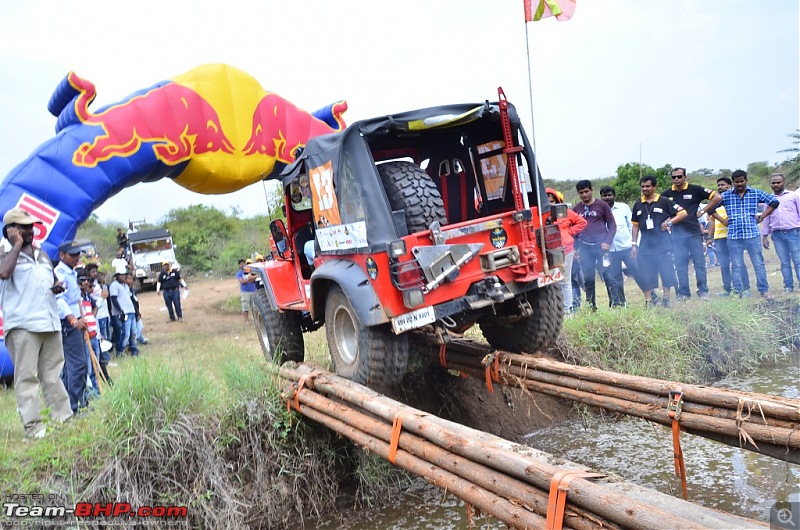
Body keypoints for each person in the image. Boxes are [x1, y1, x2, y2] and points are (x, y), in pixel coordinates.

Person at [0, 208, 73, 438]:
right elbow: (3, 273)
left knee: (52, 374)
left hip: (49, 322)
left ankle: (63, 419)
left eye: (31, 226)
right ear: (11, 230)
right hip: (23, 325)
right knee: (26, 377)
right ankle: (34, 427)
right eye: (24, 227)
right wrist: (15, 245)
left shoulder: (41, 253)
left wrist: (56, 286)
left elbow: (50, 281)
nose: (30, 230)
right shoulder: (4, 251)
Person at [701, 169, 780, 299]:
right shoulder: (726, 196)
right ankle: (739, 291)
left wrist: (762, 217)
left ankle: (764, 290)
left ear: (746, 180)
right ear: (733, 182)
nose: (739, 184)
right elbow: (710, 208)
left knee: (758, 263)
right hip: (734, 236)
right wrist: (723, 220)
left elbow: (774, 202)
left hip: (752, 234)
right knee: (737, 265)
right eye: (737, 182)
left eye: (742, 181)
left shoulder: (755, 193)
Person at [631, 176, 688, 307]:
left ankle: (666, 299)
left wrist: (669, 222)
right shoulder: (638, 204)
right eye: (643, 187)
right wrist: (634, 244)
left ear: (654, 187)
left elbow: (683, 213)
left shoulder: (664, 201)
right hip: (645, 244)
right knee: (645, 271)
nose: (645, 189)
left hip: (663, 243)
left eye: (648, 186)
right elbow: (635, 225)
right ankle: (648, 300)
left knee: (666, 270)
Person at [661, 167, 716, 301]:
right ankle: (684, 293)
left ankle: (703, 291)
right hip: (677, 235)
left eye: (679, 177)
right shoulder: (667, 194)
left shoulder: (695, 189)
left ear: (685, 177)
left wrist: (702, 212)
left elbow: (717, 197)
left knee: (699, 264)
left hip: (694, 233)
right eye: (674, 177)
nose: (676, 179)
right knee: (680, 265)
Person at [54, 240, 90, 413]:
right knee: (78, 364)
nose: (77, 257)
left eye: (78, 254)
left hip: (77, 320)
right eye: (73, 254)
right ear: (62, 255)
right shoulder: (60, 274)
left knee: (72, 367)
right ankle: (75, 406)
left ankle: (73, 405)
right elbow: (59, 301)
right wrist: (74, 321)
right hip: (70, 324)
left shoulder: (71, 272)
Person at [572, 180, 617, 311]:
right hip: (585, 248)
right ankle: (591, 307)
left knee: (608, 277)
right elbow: (573, 230)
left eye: (586, 191)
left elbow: (612, 225)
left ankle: (615, 304)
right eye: (581, 193)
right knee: (588, 279)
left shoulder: (602, 205)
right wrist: (575, 248)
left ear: (591, 190)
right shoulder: (576, 209)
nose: (584, 195)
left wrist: (607, 242)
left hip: (601, 247)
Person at [600, 185, 643, 307]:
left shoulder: (623, 207)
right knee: (616, 279)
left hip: (627, 248)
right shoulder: (600, 211)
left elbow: (632, 227)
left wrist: (635, 245)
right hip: (611, 252)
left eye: (609, 195)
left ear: (614, 195)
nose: (607, 198)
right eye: (604, 196)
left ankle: (651, 297)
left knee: (637, 273)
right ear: (601, 197)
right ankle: (622, 302)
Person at [707, 177, 750, 296]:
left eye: (723, 185)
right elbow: (712, 221)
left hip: (734, 237)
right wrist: (710, 237)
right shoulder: (716, 203)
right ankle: (727, 289)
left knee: (738, 263)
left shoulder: (733, 201)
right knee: (724, 264)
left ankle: (745, 288)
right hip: (719, 238)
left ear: (729, 187)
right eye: (719, 185)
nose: (720, 187)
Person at [546, 188, 587, 314]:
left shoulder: (565, 212)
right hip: (548, 251)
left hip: (566, 249)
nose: (550, 204)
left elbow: (582, 222)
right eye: (547, 202)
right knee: (552, 282)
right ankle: (556, 311)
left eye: (552, 201)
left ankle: (567, 310)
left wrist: (569, 232)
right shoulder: (541, 216)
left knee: (565, 280)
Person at [761, 173, 800, 293]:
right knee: (784, 261)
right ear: (771, 184)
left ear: (784, 182)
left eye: (778, 182)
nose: (776, 185)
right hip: (777, 235)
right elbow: (766, 218)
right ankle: (788, 286)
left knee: (798, 260)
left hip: (793, 232)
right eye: (773, 183)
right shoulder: (769, 199)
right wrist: (765, 237)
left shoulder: (793, 196)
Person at [108, 272, 139, 356]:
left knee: (133, 332)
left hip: (131, 311)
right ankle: (120, 351)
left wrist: (136, 311)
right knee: (125, 333)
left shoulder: (125, 286)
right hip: (124, 312)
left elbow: (130, 299)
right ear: (117, 276)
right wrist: (120, 310)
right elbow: (113, 299)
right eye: (121, 275)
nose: (123, 277)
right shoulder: (114, 285)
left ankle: (134, 349)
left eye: (124, 275)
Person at [125, 275, 149, 344]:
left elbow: (136, 302)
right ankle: (136, 341)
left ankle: (139, 338)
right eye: (127, 279)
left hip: (135, 310)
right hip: (129, 311)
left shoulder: (133, 290)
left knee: (139, 326)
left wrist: (138, 312)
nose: (128, 280)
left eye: (130, 279)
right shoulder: (125, 290)